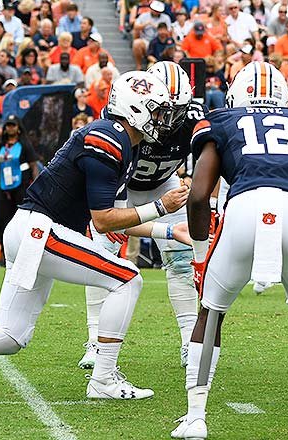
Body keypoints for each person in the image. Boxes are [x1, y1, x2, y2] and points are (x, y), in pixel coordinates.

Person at [0, 71, 189, 400]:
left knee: (10, 336)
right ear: (135, 109)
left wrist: (169, 229)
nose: (165, 120)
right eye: (158, 111)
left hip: (33, 232)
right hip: (42, 231)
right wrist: (160, 205)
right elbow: (102, 221)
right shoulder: (109, 138)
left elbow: (119, 219)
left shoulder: (120, 141)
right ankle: (104, 379)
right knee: (128, 279)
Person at [172, 61, 288, 440]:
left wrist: (201, 252)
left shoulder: (221, 121)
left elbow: (199, 195)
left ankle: (196, 416)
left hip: (245, 207)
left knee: (211, 313)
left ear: (238, 94)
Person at [80, 62, 207, 369]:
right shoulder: (125, 121)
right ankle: (96, 339)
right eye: (165, 109)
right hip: (122, 188)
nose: (171, 118)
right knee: (102, 256)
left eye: (178, 109)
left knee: (180, 259)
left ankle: (190, 340)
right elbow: (109, 212)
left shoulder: (192, 119)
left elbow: (207, 160)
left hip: (164, 184)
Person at [0, 114, 39, 252]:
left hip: (22, 185)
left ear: (18, 128)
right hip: (5, 187)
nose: (10, 128)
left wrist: (36, 186)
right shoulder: (0, 146)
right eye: (7, 125)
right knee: (3, 218)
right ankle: (5, 252)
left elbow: (33, 165)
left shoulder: (25, 144)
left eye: (13, 125)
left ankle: (24, 250)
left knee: (21, 218)